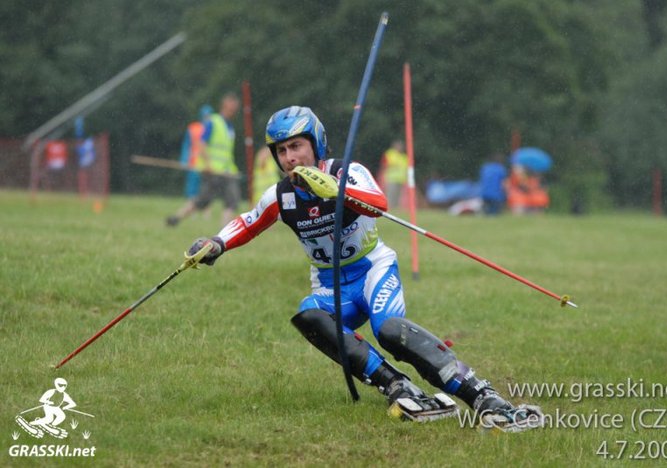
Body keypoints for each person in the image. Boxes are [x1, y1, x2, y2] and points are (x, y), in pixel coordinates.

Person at [187, 106, 542, 430]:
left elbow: (379, 204)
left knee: (388, 330)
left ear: (316, 143)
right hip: (330, 286)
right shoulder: (281, 196)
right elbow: (247, 222)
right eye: (281, 151)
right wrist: (216, 243)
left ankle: (480, 394)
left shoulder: (347, 171)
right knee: (309, 315)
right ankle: (396, 385)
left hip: (372, 271)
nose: (290, 157)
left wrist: (337, 190)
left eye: (296, 146)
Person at [166, 93, 242, 226]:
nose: (233, 111)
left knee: (232, 200)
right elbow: (201, 144)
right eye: (231, 107)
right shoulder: (213, 122)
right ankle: (176, 218)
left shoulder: (230, 127)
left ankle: (224, 233)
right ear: (224, 105)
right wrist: (207, 165)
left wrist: (232, 169)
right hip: (211, 170)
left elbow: (226, 153)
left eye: (235, 108)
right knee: (202, 200)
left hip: (226, 171)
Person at [181, 104, 213, 203]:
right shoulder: (193, 128)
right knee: (192, 188)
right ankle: (191, 206)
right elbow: (186, 145)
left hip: (206, 164)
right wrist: (184, 159)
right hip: (193, 162)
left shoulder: (212, 128)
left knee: (205, 189)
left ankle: (206, 212)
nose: (206, 118)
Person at [379, 139, 408, 209]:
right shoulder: (389, 154)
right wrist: (382, 176)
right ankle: (388, 208)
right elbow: (383, 165)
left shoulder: (404, 157)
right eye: (398, 146)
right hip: (391, 179)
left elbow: (406, 169)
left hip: (400, 180)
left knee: (397, 197)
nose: (400, 148)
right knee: (390, 196)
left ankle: (394, 210)